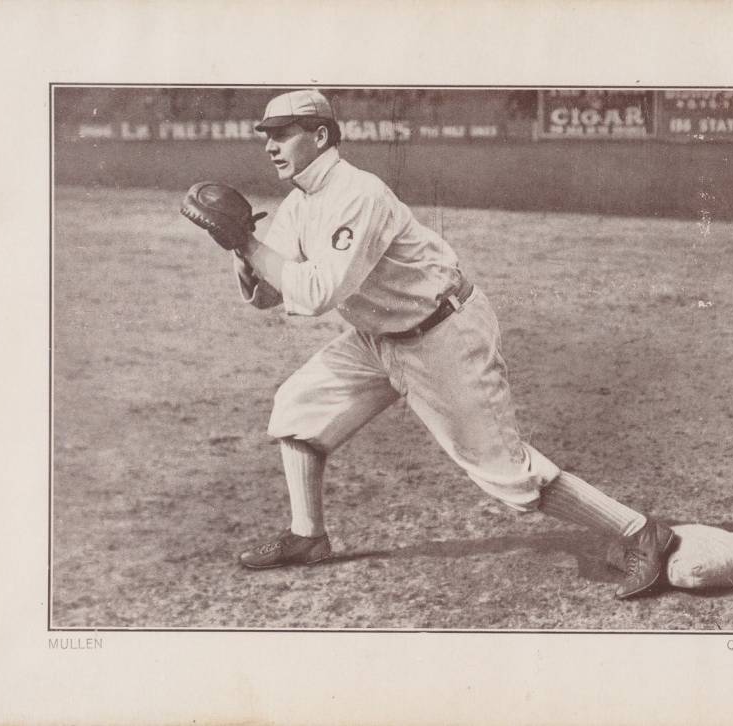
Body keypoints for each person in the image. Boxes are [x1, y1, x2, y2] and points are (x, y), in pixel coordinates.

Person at [227, 89, 675, 599]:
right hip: (377, 340)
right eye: (267, 135)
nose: (270, 145)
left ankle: (642, 532)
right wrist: (239, 250)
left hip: (442, 333)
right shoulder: (298, 204)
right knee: (297, 408)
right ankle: (308, 537)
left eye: (282, 133)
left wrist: (248, 243)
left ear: (321, 135)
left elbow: (318, 292)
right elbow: (268, 293)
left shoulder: (358, 193)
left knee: (506, 473)